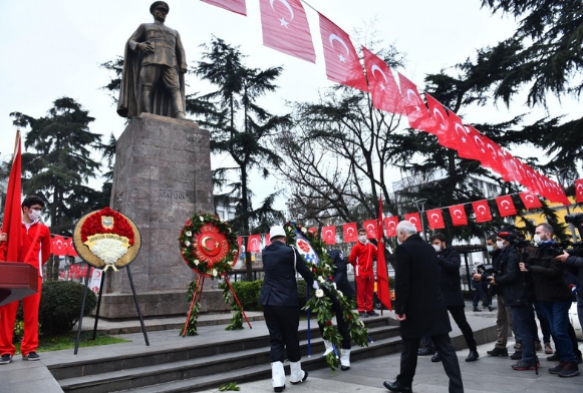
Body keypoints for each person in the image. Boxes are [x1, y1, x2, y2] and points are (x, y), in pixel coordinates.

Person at [383, 221, 463, 393]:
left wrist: (400, 308)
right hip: (436, 304)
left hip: (414, 308)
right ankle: (457, 388)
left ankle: (404, 383)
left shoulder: (404, 249)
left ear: (403, 234)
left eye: (398, 235)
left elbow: (402, 282)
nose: (398, 238)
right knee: (446, 348)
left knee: (409, 347)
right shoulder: (429, 248)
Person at [259, 225, 315, 392]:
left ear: (271, 238)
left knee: (276, 339)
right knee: (291, 338)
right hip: (287, 302)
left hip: (268, 301)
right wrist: (317, 286)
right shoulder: (290, 251)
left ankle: (278, 381)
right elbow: (304, 271)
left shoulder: (265, 252)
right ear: (284, 238)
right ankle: (296, 375)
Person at [519, 223, 580, 377]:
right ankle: (565, 359)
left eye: (538, 232)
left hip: (559, 297)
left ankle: (572, 362)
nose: (535, 235)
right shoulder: (537, 251)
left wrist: (531, 268)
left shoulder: (556, 251)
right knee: (555, 330)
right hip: (544, 298)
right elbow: (530, 265)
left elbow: (554, 272)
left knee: (559, 330)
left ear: (547, 234)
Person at [0, 196, 51, 364]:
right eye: (35, 208)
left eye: (40, 209)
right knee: (7, 313)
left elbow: (46, 252)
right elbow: (3, 251)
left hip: (33, 276)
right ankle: (5, 351)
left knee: (31, 314)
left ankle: (29, 349)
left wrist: (34, 268)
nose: (38, 212)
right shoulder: (10, 228)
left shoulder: (43, 230)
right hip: (12, 276)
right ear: (25, 209)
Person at [117, 1, 187, 119]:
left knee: (175, 89)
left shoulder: (174, 32)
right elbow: (131, 42)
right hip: (151, 59)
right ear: (153, 12)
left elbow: (180, 49)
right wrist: (140, 45)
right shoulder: (145, 26)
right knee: (147, 87)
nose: (162, 13)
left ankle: (179, 113)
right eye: (159, 10)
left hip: (170, 62)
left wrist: (183, 62)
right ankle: (146, 112)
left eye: (164, 11)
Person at [488, 229, 537, 371]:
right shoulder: (508, 252)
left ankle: (529, 359)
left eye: (499, 239)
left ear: (506, 240)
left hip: (518, 297)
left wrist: (497, 280)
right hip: (514, 295)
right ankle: (530, 357)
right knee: (521, 328)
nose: (497, 242)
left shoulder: (513, 254)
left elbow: (511, 275)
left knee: (521, 329)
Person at [429, 234, 479, 363]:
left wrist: (438, 259)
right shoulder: (433, 256)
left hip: (453, 295)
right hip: (438, 295)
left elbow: (453, 267)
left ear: (444, 242)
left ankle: (473, 349)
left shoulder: (453, 253)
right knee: (439, 325)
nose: (435, 245)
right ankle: (440, 350)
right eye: (433, 243)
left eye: (437, 242)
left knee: (462, 323)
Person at [473, 234, 522, 358]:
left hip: (508, 292)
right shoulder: (496, 255)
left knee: (512, 320)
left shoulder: (505, 255)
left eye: (490, 244)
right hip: (500, 291)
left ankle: (520, 347)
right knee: (501, 320)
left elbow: (504, 275)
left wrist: (484, 277)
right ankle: (501, 346)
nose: (488, 247)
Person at [319, 249, 355, 370]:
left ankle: (345, 357)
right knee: (322, 321)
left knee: (343, 325)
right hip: (326, 295)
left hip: (341, 293)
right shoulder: (311, 257)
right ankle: (329, 347)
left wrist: (333, 283)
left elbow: (341, 271)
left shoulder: (335, 253)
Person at [349, 228, 378, 317]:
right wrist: (357, 266)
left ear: (366, 235)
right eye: (361, 234)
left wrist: (380, 243)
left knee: (370, 291)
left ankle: (369, 309)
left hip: (370, 272)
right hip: (360, 273)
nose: (363, 236)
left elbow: (377, 254)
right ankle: (361, 310)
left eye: (364, 234)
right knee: (361, 292)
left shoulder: (371, 246)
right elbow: (351, 259)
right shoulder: (356, 247)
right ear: (358, 236)